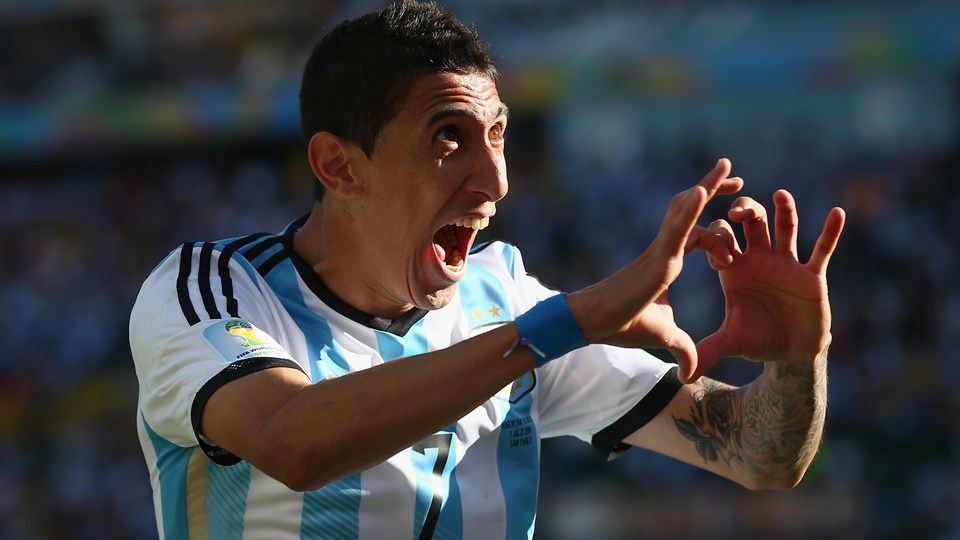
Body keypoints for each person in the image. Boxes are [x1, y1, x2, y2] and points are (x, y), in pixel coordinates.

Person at [129, 1, 846, 538]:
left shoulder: (501, 298)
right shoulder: (211, 290)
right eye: (449, 138)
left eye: (498, 133)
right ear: (340, 166)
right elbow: (292, 439)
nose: (496, 180)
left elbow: (758, 456)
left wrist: (795, 359)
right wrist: (558, 328)